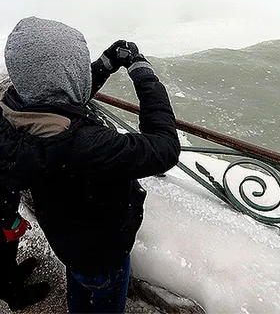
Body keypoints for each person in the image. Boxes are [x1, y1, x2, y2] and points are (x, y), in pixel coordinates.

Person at [0, 16, 181, 313]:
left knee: (80, 285)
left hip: (67, 241)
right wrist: (143, 73)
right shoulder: (88, 145)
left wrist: (106, 64)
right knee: (105, 296)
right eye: (79, 67)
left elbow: (58, 99)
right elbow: (164, 148)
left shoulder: (13, 114)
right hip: (105, 252)